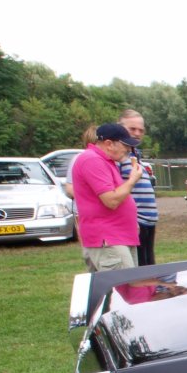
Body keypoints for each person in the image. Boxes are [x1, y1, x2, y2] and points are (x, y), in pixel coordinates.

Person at [69, 123, 144, 272]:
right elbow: (111, 200)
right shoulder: (92, 160)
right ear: (109, 143)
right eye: (125, 145)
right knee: (124, 284)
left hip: (118, 237)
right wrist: (132, 180)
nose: (128, 150)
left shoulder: (104, 161)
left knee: (128, 283)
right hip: (109, 239)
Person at [118, 109, 159, 266]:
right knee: (140, 268)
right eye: (132, 129)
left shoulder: (134, 154)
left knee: (149, 265)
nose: (137, 133)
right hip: (135, 221)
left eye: (141, 130)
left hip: (149, 221)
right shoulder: (118, 156)